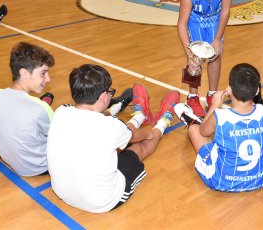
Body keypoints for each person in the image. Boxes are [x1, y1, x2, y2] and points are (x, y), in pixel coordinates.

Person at [47, 65, 177, 213]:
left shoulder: (60, 111)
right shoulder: (111, 126)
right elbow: (132, 136)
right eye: (110, 92)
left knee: (117, 136)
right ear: (103, 97)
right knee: (136, 149)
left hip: (61, 191)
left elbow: (113, 129)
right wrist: (150, 134)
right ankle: (163, 122)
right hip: (104, 201)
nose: (110, 94)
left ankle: (140, 116)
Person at [174, 63, 263, 191]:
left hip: (221, 181)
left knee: (195, 130)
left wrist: (215, 105)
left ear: (229, 89)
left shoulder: (220, 115)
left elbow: (203, 131)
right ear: (257, 91)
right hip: (260, 179)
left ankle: (193, 121)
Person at [0, 42, 56, 177]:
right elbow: (61, 138)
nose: (48, 79)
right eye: (43, 73)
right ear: (24, 73)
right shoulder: (40, 109)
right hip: (38, 168)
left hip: (11, 162)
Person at [178, 0, 236, 116]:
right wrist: (189, 52)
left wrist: (217, 39)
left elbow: (225, 11)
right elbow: (182, 23)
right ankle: (192, 97)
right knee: (195, 59)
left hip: (216, 16)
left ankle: (212, 95)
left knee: (215, 55)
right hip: (195, 18)